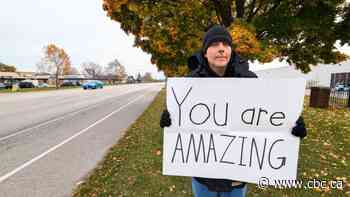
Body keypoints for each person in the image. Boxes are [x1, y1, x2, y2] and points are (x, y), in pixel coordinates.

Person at [160, 25, 307, 197]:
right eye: (214, 44)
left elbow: (269, 118)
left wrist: (292, 128)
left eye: (225, 44)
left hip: (237, 177)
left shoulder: (250, 81)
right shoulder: (189, 84)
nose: (221, 48)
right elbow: (180, 123)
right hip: (203, 177)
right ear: (205, 52)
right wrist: (170, 121)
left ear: (231, 50)